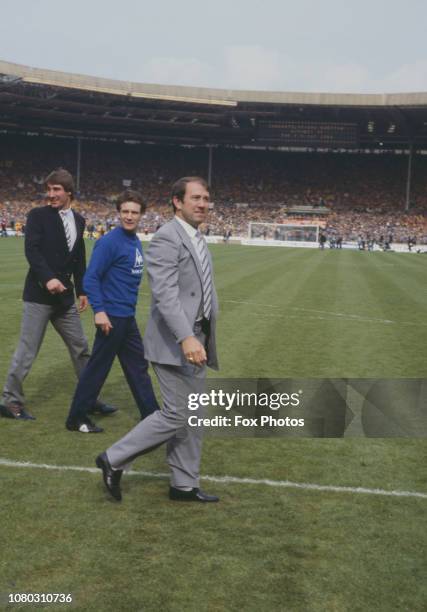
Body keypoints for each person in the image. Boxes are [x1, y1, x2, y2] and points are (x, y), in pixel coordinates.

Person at [95, 176, 220, 503]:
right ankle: (113, 457)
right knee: (177, 414)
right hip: (175, 342)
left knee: (194, 414)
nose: (203, 204)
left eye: (206, 198)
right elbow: (164, 295)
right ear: (177, 201)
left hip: (198, 341)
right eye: (196, 198)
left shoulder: (197, 237)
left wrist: (201, 336)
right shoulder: (167, 236)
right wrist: (186, 337)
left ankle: (183, 485)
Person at [0, 168, 113, 421]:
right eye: (48, 189)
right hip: (38, 296)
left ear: (69, 192)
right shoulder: (37, 215)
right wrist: (47, 278)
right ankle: (10, 402)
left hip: (64, 300)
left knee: (81, 348)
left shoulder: (80, 220)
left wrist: (83, 290)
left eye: (56, 190)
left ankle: (90, 398)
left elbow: (79, 258)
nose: (50, 195)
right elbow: (32, 251)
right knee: (27, 351)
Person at [65, 190, 160, 433]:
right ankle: (77, 418)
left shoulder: (134, 241)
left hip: (126, 317)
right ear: (119, 213)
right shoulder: (109, 242)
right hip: (111, 316)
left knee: (138, 366)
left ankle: (151, 415)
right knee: (98, 368)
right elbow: (91, 277)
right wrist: (99, 311)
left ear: (141, 215)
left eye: (134, 212)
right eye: (125, 211)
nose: (129, 216)